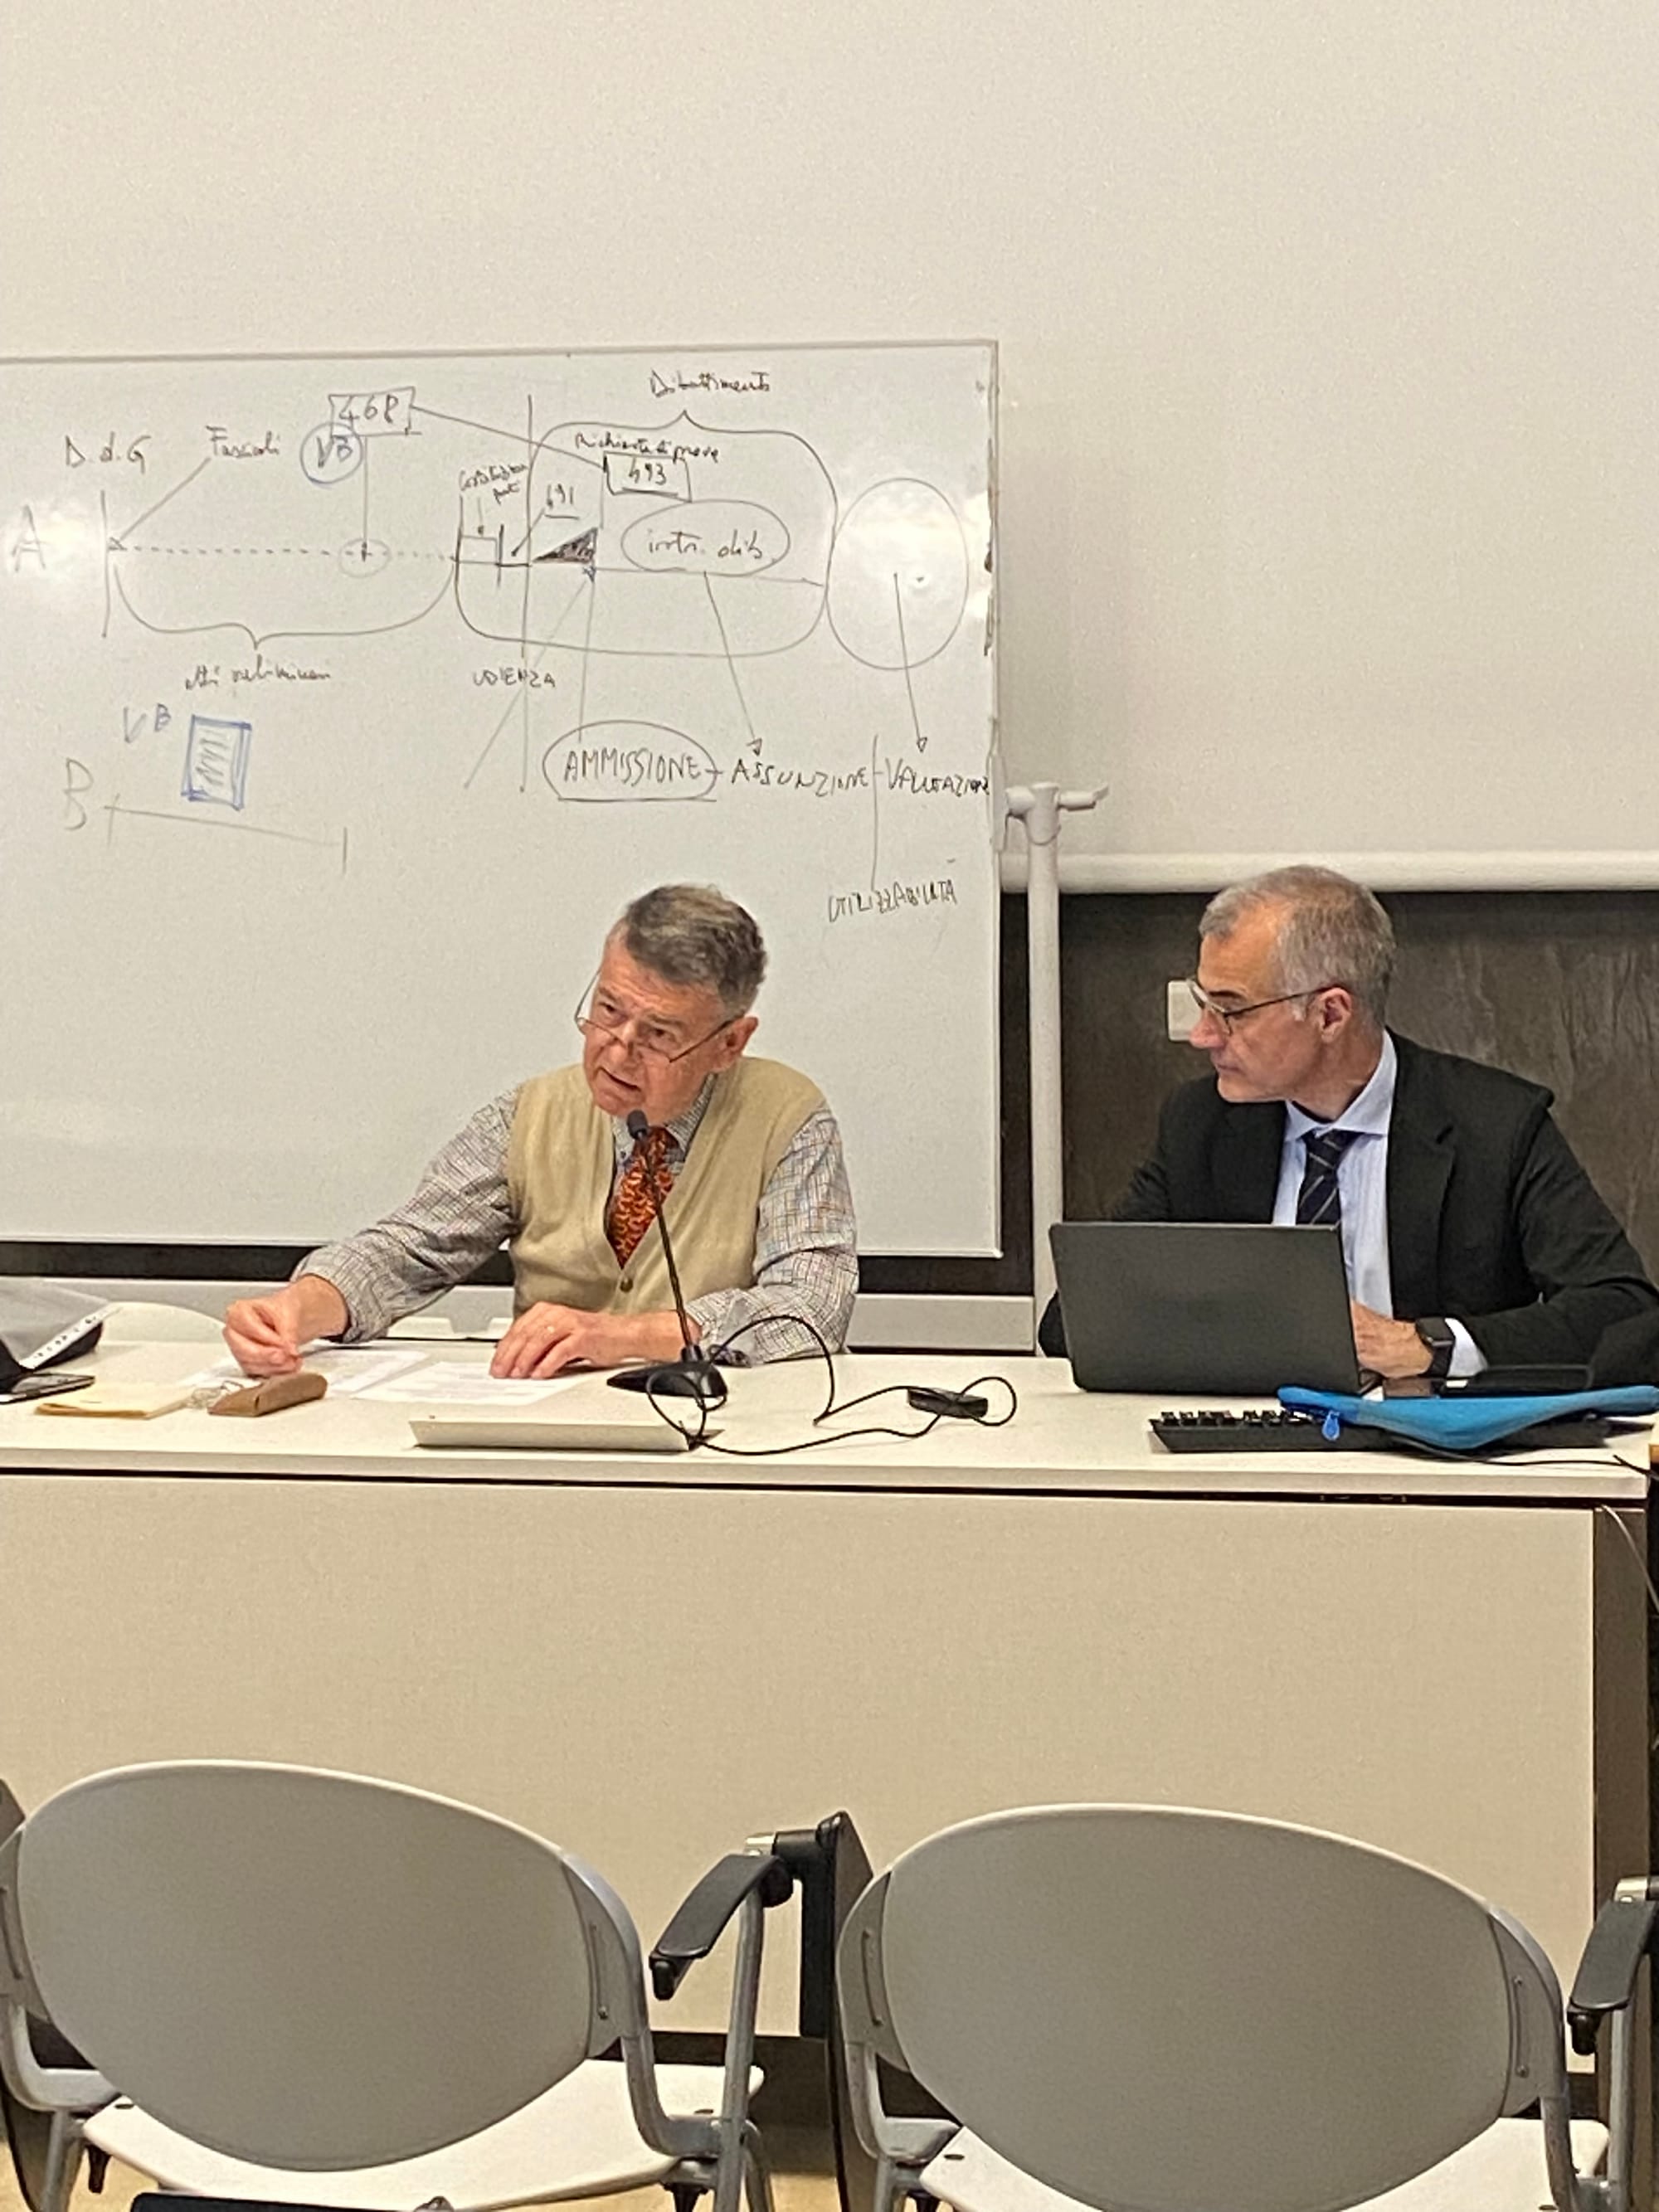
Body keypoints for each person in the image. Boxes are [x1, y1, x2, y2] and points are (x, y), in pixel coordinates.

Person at [1039, 866, 1658, 1378]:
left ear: (1331, 1014)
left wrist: (1429, 1345)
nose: (1203, 1036)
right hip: (1246, 1448)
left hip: (1433, 1461)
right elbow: (1075, 1320)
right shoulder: (1201, 1125)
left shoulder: (1494, 1127)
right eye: (1203, 1003)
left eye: (1231, 1011)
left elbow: (1626, 1313)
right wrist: (1253, 1338)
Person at [225, 884, 857, 1378]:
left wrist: (627, 1336)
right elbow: (409, 1248)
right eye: (607, 1010)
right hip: (543, 1446)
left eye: (659, 1035)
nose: (617, 1050)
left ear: (729, 1043)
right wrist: (301, 1307)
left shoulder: (788, 1119)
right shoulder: (529, 1115)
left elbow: (811, 1308)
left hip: (720, 1448)